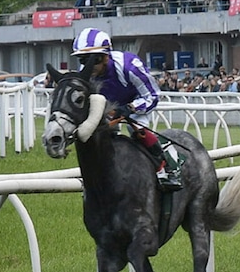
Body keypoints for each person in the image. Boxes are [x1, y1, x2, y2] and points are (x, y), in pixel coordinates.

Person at [71, 27, 182, 190]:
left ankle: (166, 167)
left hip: (136, 102)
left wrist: (130, 108)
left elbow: (153, 95)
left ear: (105, 57)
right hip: (108, 108)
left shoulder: (130, 66)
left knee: (136, 129)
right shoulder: (85, 74)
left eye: (94, 60)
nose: (89, 66)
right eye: (83, 60)